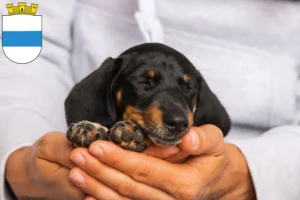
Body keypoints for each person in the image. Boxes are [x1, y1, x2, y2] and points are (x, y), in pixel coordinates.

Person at [2, 0, 300, 199]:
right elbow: (20, 41)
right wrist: (17, 161)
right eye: (145, 82)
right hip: (59, 166)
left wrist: (252, 173)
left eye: (186, 91)